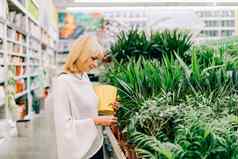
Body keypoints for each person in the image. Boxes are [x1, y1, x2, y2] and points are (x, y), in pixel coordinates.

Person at [53, 35, 117, 159]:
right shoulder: (63, 82)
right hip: (80, 152)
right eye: (93, 58)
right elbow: (64, 126)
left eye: (97, 60)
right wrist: (97, 121)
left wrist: (107, 108)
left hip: (95, 144)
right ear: (80, 54)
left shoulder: (84, 77)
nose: (95, 64)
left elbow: (87, 110)